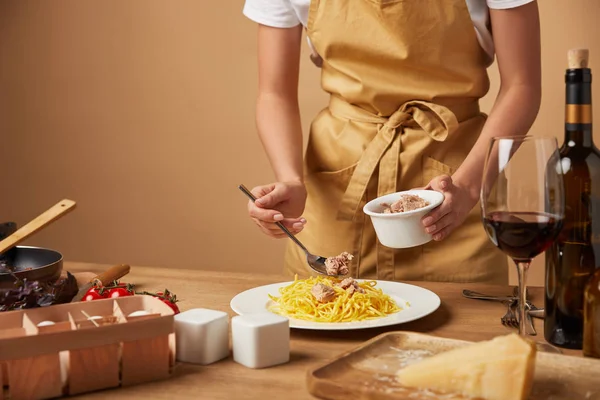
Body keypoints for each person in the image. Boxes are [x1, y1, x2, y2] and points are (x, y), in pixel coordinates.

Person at [242, 0, 541, 283]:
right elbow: (274, 94)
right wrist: (290, 179)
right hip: (337, 196)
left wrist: (467, 187)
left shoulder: (462, 190)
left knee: (466, 328)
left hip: (455, 191)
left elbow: (521, 86)